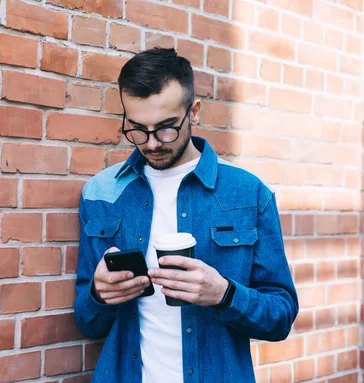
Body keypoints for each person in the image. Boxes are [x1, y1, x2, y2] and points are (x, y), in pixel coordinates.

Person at [73, 47, 299, 383]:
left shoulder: (249, 194)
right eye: (137, 129)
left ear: (193, 112)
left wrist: (224, 294)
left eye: (166, 128)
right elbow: (87, 321)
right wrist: (98, 295)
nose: (151, 143)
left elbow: (280, 317)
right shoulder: (101, 194)